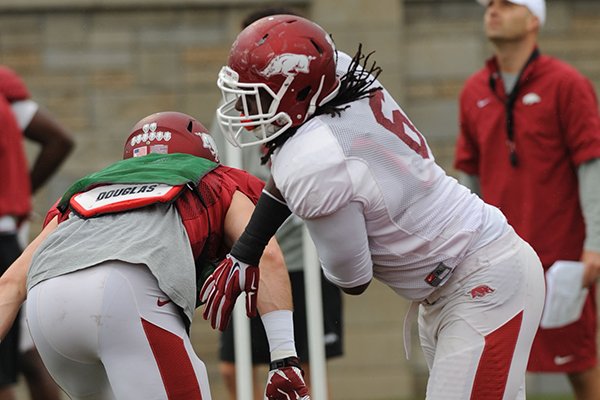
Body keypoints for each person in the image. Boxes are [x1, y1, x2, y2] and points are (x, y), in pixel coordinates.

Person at [199, 14, 546, 400]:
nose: (245, 109)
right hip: (467, 272)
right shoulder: (339, 73)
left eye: (259, 95)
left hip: (480, 281)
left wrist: (321, 207)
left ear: (300, 95)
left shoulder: (316, 161)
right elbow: (293, 159)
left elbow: (353, 280)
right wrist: (249, 248)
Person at [0, 111, 310, 400]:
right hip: (125, 295)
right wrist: (284, 358)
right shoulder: (218, 178)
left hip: (47, 305)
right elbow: (265, 253)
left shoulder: (83, 192)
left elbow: (11, 284)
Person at [453, 1, 600, 398]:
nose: (493, 11)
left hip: (561, 257)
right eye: (489, 6)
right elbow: (469, 178)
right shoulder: (473, 91)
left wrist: (594, 247)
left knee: (579, 365)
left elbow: (592, 164)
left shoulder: (567, 84)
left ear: (534, 19)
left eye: (506, 4)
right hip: (499, 257)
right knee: (498, 369)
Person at [214, 7, 344, 400]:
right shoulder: (238, 107)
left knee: (304, 368)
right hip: (249, 257)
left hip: (300, 262)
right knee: (234, 365)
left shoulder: (315, 115)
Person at [0, 65, 74, 400]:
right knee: (27, 350)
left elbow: (59, 140)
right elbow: (59, 139)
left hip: (6, 234)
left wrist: (16, 193)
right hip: (9, 233)